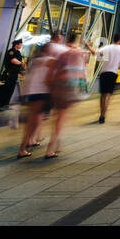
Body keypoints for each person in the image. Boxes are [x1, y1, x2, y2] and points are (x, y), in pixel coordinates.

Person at [17, 32, 64, 158]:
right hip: (42, 93)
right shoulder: (51, 61)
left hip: (30, 93)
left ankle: (28, 143)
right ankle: (24, 147)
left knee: (33, 121)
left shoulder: (34, 61)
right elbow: (50, 79)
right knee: (34, 122)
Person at [44, 31, 89, 159]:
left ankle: (56, 142)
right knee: (61, 118)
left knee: (57, 116)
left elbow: (53, 69)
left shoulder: (62, 53)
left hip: (58, 85)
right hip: (70, 87)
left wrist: (51, 86)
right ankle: (50, 148)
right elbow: (86, 62)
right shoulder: (80, 53)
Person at [94, 39, 120, 124]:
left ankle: (101, 114)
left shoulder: (107, 47)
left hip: (103, 73)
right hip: (113, 73)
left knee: (103, 95)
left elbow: (95, 53)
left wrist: (87, 45)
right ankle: (103, 115)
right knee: (108, 95)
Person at [0, 39, 24, 111]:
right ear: (17, 44)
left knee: (10, 91)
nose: (21, 45)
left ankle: (4, 105)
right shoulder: (11, 52)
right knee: (4, 91)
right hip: (8, 74)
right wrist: (21, 63)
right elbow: (13, 60)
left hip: (14, 75)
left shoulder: (18, 52)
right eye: (21, 44)